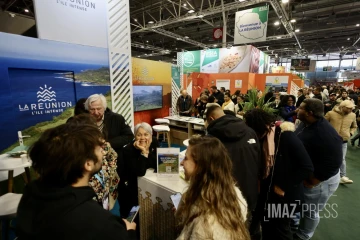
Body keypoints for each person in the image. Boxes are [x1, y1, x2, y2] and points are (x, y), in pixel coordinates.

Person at [16, 123, 136, 240]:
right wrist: (129, 232)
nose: (103, 153)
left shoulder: (31, 193)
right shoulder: (98, 222)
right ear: (88, 164)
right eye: (99, 149)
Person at [175, 136, 250, 240]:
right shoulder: (234, 196)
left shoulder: (205, 226)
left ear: (200, 166)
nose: (181, 162)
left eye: (186, 158)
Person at [294, 99, 342, 240]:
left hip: (322, 180)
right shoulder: (307, 123)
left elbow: (335, 162)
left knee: (310, 211)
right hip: (310, 175)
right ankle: (297, 224)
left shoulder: (324, 134)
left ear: (309, 113)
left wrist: (315, 179)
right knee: (303, 205)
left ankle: (303, 235)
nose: (297, 110)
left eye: (300, 108)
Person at [205, 106, 260, 214]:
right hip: (249, 192)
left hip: (224, 198)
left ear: (211, 119)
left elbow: (207, 169)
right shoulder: (250, 132)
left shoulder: (211, 140)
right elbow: (258, 160)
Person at [67, 114, 120, 210]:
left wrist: (107, 174)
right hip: (90, 205)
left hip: (110, 197)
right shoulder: (75, 157)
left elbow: (113, 156)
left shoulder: (103, 145)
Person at [118, 122, 159, 218]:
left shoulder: (154, 142)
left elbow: (157, 163)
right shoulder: (128, 150)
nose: (143, 138)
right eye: (139, 135)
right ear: (135, 136)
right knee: (131, 219)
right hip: (130, 191)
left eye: (146, 134)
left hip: (147, 185)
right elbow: (140, 171)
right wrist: (144, 152)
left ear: (151, 135)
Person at [84, 94, 134, 158]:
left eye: (99, 109)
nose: (96, 112)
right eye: (92, 109)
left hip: (114, 161)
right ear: (87, 109)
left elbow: (129, 136)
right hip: (92, 161)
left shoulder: (117, 118)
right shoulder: (83, 122)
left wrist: (110, 143)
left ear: (104, 108)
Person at [324, 100, 357, 184]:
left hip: (344, 140)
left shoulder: (353, 115)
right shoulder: (331, 114)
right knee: (327, 156)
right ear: (342, 107)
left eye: (351, 108)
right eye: (349, 108)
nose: (351, 110)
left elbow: (354, 126)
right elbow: (323, 124)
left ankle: (343, 176)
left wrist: (350, 133)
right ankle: (325, 174)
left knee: (342, 158)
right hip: (330, 140)